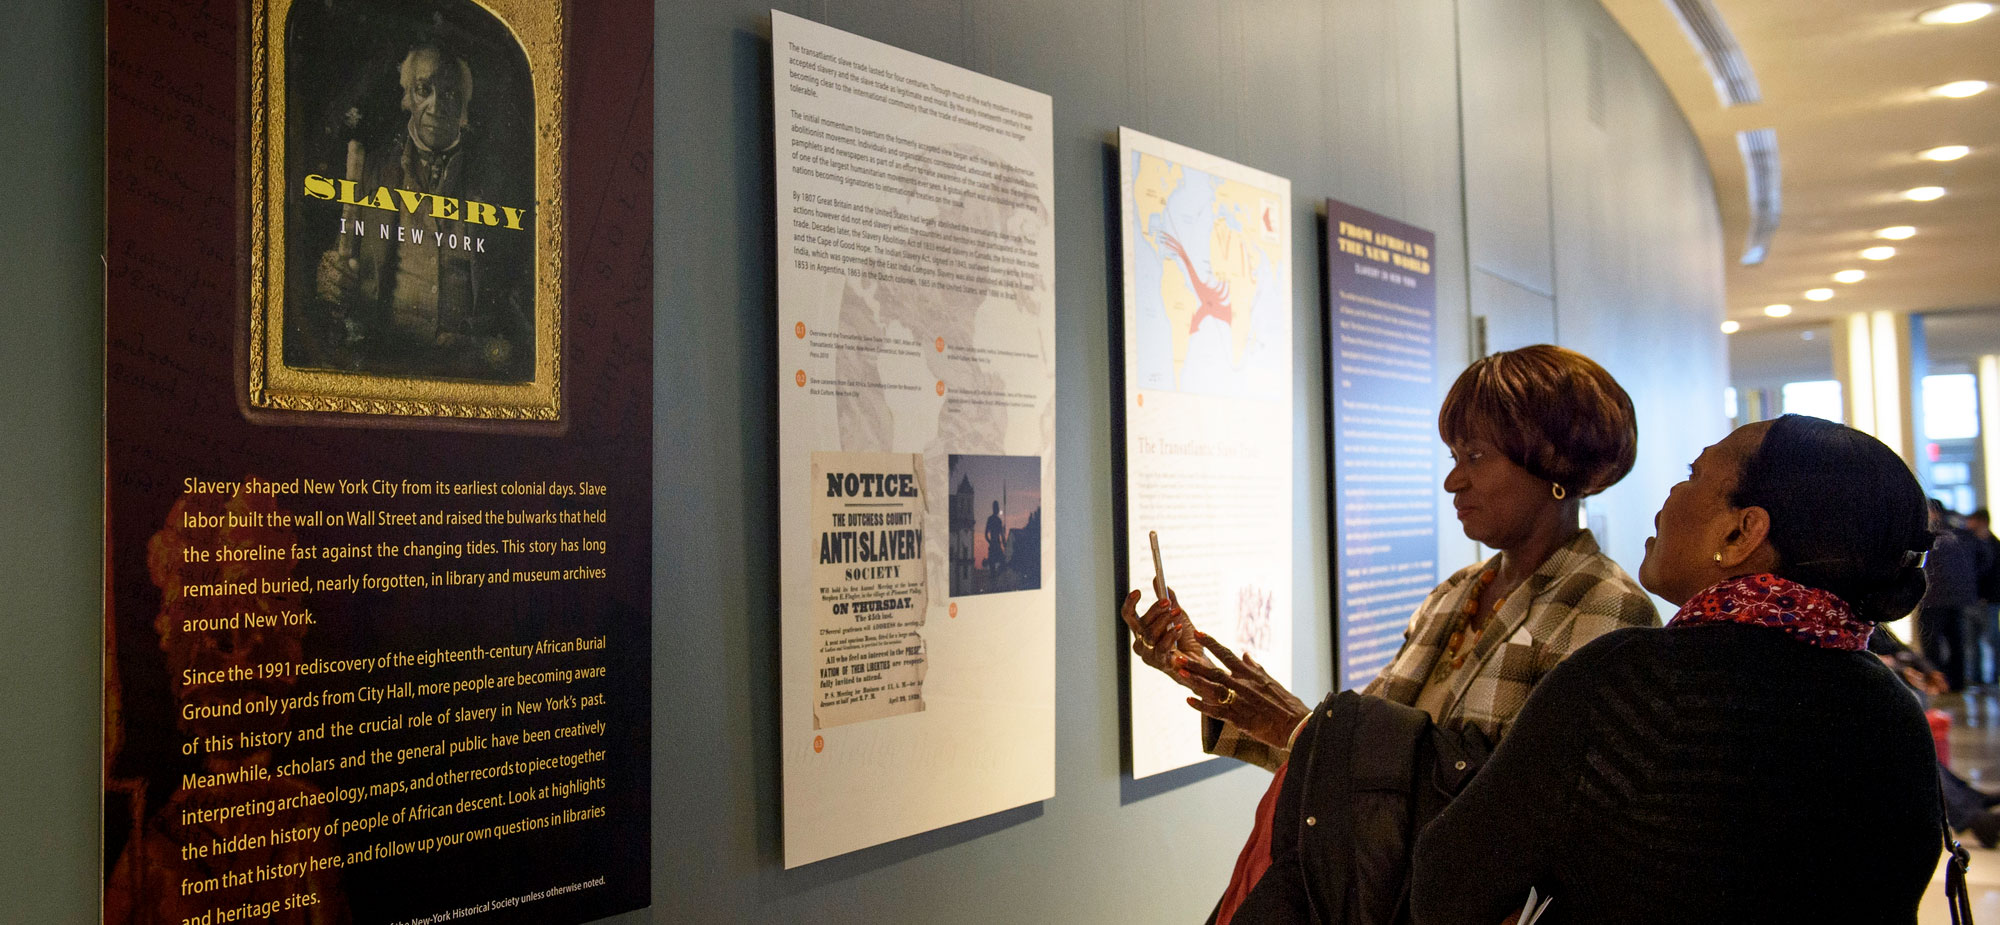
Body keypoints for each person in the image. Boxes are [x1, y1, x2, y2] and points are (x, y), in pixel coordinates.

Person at [1122, 345, 1658, 925]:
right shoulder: (1454, 595)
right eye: (1453, 455)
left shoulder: (1608, 609)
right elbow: (1362, 769)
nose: (1454, 479)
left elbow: (1528, 821)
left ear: (1553, 465)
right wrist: (1209, 676)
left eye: (1475, 456)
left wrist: (1299, 726)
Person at [1411, 415, 1944, 924]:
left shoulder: (1627, 680)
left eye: (1694, 475)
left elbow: (1445, 887)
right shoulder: (1891, 707)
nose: (1669, 496)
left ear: (1742, 534)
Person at [306, 37, 533, 382]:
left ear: (465, 108)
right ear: (406, 97)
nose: (436, 105)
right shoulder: (369, 168)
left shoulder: (497, 183)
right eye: (423, 89)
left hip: (468, 368)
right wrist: (329, 275)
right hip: (384, 360)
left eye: (450, 94)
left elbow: (519, 284)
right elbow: (330, 262)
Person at [1918, 500, 1988, 690]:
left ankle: (1938, 682)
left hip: (1933, 597)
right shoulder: (1961, 532)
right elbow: (1984, 558)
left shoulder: (1927, 534)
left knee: (1932, 643)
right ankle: (1956, 683)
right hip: (1959, 598)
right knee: (1957, 641)